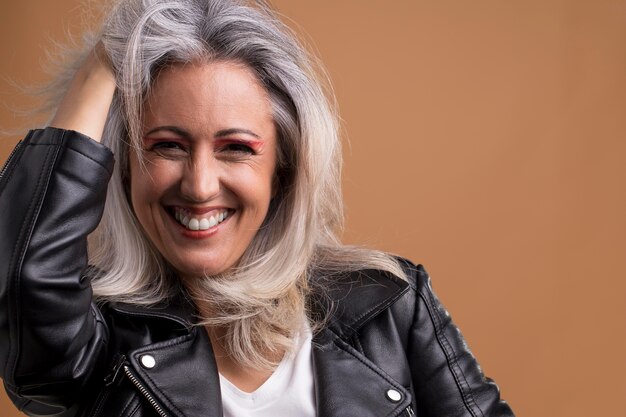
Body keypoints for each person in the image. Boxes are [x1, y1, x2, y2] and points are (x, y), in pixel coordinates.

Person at [0, 0, 515, 416]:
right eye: (167, 145)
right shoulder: (101, 339)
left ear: (283, 169)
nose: (200, 186)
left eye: (237, 148)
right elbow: (27, 277)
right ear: (125, 166)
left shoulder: (391, 307)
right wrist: (103, 64)